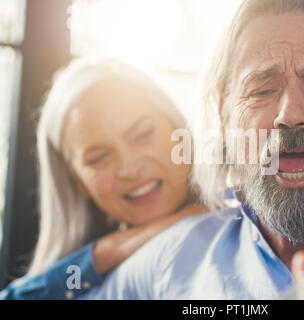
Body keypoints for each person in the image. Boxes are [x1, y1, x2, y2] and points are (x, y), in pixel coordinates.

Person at [79, 0, 304, 300]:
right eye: (261, 91)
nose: (289, 115)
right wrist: (105, 253)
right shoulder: (176, 256)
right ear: (224, 117)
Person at [0, 57, 206, 299]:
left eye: (142, 135)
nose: (129, 168)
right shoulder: (83, 280)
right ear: (77, 182)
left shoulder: (244, 221)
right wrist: (104, 253)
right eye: (99, 158)